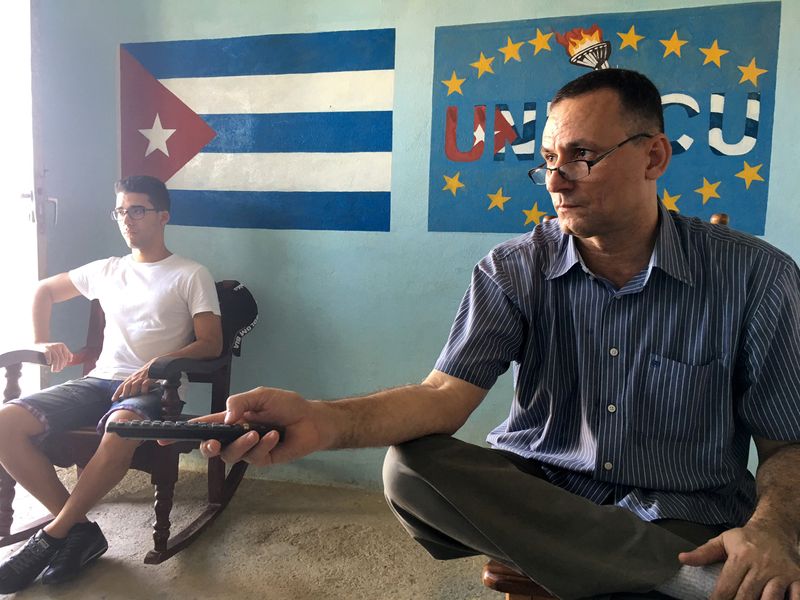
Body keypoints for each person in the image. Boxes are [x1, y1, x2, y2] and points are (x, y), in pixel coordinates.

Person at [199, 69, 800, 599]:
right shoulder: (512, 268)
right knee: (409, 466)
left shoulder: (756, 274)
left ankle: (634, 571)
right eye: (549, 161)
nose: (557, 181)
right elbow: (442, 399)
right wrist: (319, 419)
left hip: (685, 514)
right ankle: (674, 581)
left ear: (654, 157)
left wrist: (772, 528)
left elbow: (786, 445)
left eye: (583, 156)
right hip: (539, 494)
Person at [0, 175, 222, 593]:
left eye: (137, 210)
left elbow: (211, 343)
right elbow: (44, 291)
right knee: (5, 422)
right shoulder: (107, 269)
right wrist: (40, 340)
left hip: (155, 389)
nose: (127, 219)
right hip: (99, 379)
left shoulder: (190, 273)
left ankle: (51, 537)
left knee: (120, 428)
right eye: (120, 210)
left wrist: (158, 364)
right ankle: (80, 530)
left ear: (163, 216)